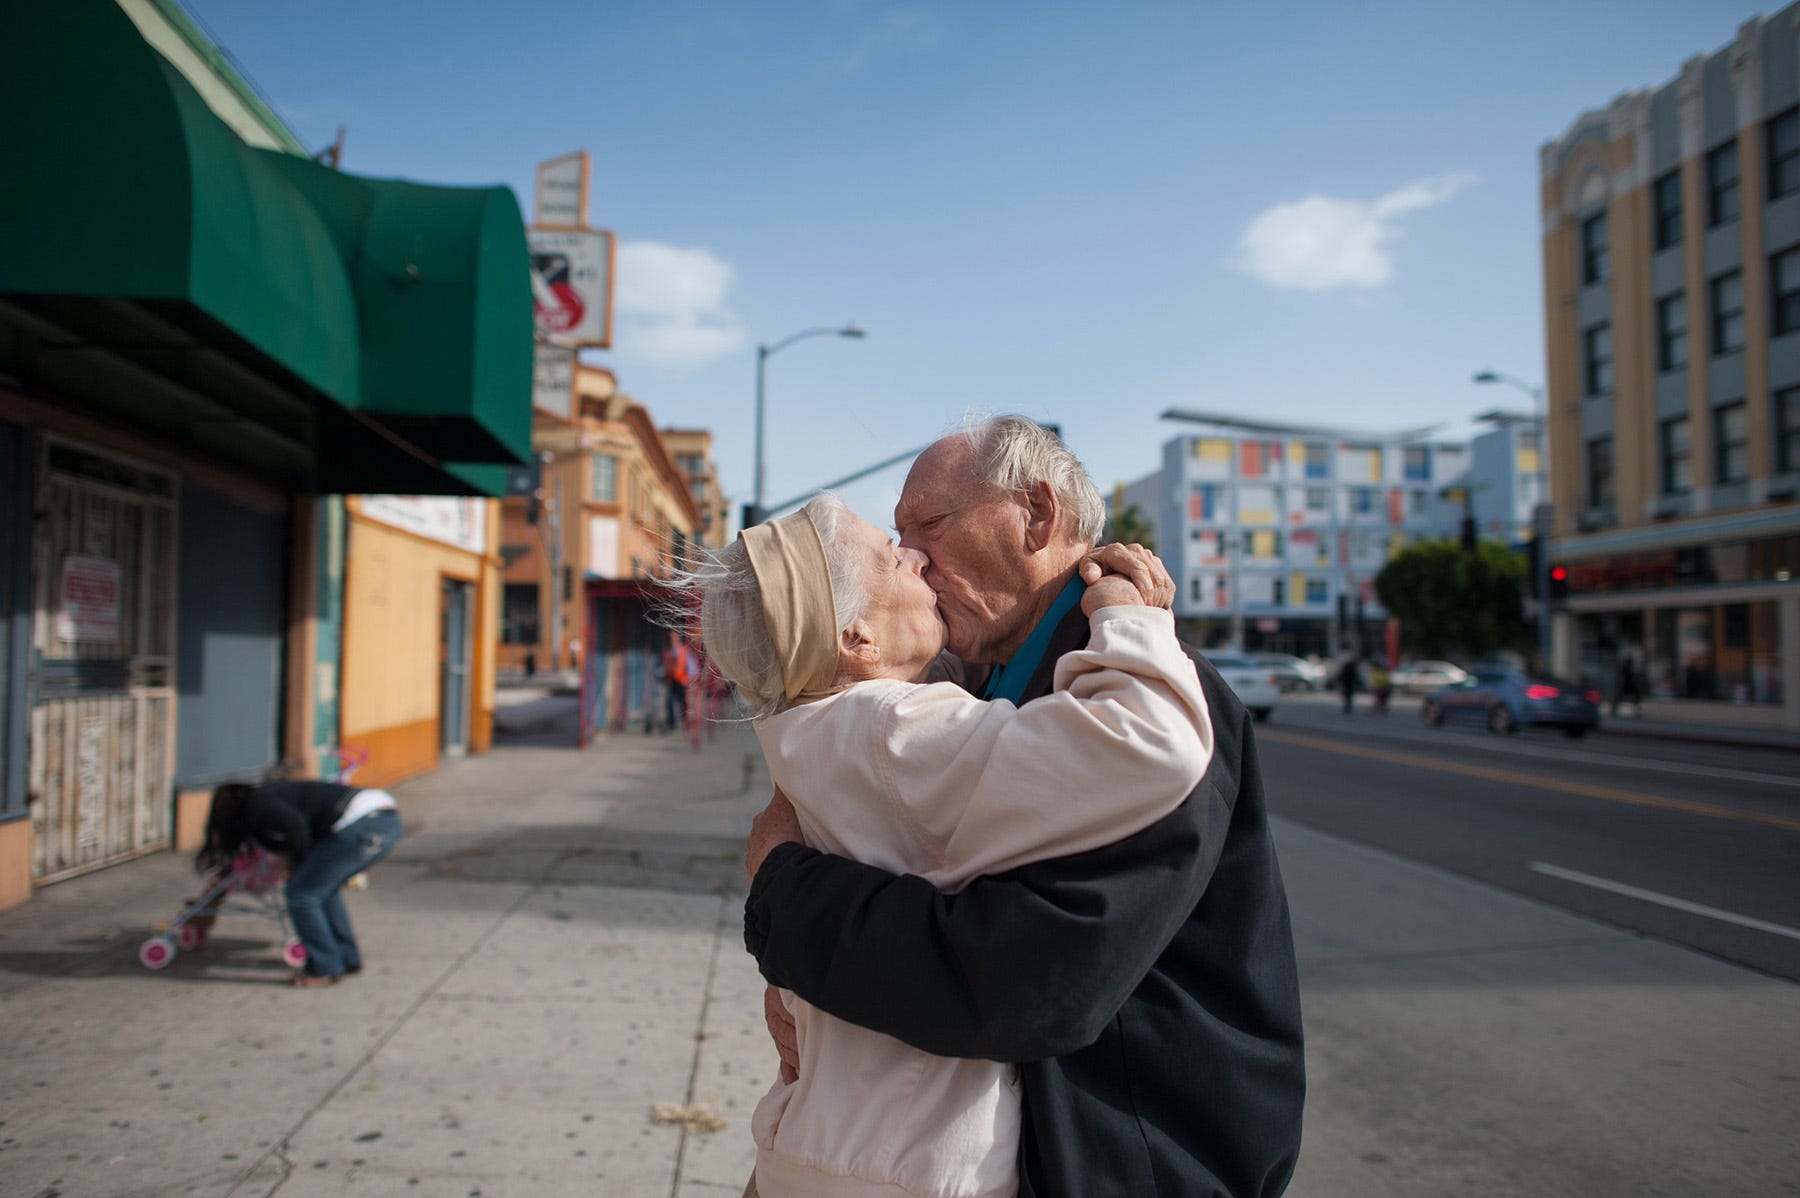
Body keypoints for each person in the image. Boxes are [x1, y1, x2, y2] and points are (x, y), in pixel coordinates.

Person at [744, 416, 1305, 1197]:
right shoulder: (978, 686)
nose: (913, 557)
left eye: (929, 526)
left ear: (1037, 515)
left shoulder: (1151, 696)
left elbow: (1021, 982)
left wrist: (780, 892)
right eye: (898, 539)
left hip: (1135, 1157)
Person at [686, 493, 1208, 1197]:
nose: (917, 558)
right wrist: (1130, 616)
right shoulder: (891, 728)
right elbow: (1149, 743)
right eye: (892, 552)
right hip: (910, 1167)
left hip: (822, 1143)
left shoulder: (808, 733)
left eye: (926, 528)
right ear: (857, 638)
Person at [196, 778, 402, 987]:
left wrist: (296, 866)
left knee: (301, 895)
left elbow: (297, 828)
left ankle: (324, 968)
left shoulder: (260, 806)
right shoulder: (270, 797)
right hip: (384, 819)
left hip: (363, 822)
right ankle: (346, 959)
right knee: (321, 889)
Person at [661, 632, 697, 733]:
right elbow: (664, 665)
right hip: (671, 680)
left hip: (681, 680)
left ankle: (685, 722)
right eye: (672, 636)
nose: (673, 638)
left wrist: (691, 678)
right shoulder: (668, 650)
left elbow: (691, 665)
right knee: (668, 702)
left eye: (675, 636)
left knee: (683, 702)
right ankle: (671, 723)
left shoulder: (684, 650)